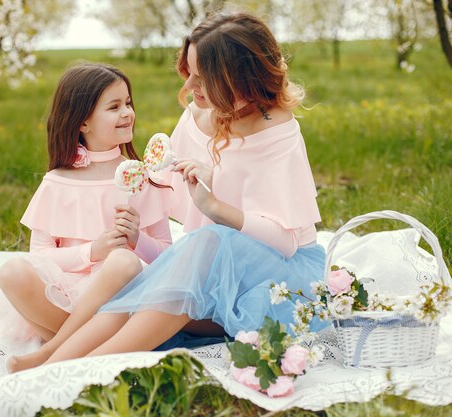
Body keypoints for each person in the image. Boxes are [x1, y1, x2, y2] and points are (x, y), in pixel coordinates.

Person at [33, 11, 326, 359]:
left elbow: (287, 242)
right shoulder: (199, 114)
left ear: (237, 78)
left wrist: (215, 205)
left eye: (201, 79)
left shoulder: (275, 131)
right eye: (189, 73)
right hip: (214, 267)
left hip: (277, 280)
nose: (188, 88)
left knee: (206, 245)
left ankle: (82, 362)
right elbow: (161, 196)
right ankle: (54, 355)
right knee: (156, 284)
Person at [0, 63, 172, 372]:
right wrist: (93, 251)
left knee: (123, 261)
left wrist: (137, 239)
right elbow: (40, 256)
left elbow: (169, 259)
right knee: (12, 271)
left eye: (128, 103)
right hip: (67, 298)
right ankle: (82, 347)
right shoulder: (58, 181)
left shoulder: (141, 177)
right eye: (114, 106)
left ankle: (51, 352)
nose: (127, 113)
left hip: (123, 301)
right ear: (83, 122)